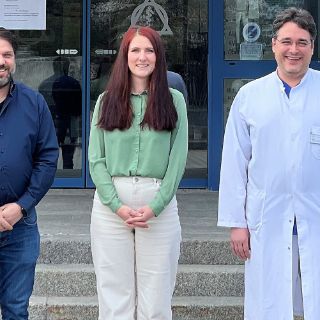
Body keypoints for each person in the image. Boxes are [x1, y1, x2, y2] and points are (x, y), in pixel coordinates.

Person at [218, 7, 319, 319]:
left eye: (302, 42)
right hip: (267, 218)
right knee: (269, 304)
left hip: (314, 217)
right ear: (273, 44)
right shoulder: (250, 96)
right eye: (286, 41)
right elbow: (235, 163)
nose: (294, 50)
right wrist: (237, 223)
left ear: (312, 47)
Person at [88, 26, 188, 320]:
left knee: (156, 299)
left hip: (158, 204)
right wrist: (116, 206)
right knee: (114, 296)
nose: (142, 57)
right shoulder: (106, 101)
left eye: (149, 50)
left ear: (158, 57)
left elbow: (178, 160)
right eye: (135, 50)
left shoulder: (174, 101)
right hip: (110, 208)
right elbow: (96, 160)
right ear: (125, 56)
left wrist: (156, 205)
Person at [0, 28, 59, 319]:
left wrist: (21, 206)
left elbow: (48, 158)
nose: (1, 61)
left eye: (7, 54)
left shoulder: (33, 103)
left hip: (19, 228)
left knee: (15, 310)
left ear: (14, 60)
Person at [39, 57, 82, 169]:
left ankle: (50, 177)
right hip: (70, 125)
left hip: (53, 124)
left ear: (54, 67)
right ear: (66, 68)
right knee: (68, 157)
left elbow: (42, 109)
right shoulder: (74, 83)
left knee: (48, 157)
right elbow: (79, 108)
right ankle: (68, 174)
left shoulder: (45, 84)